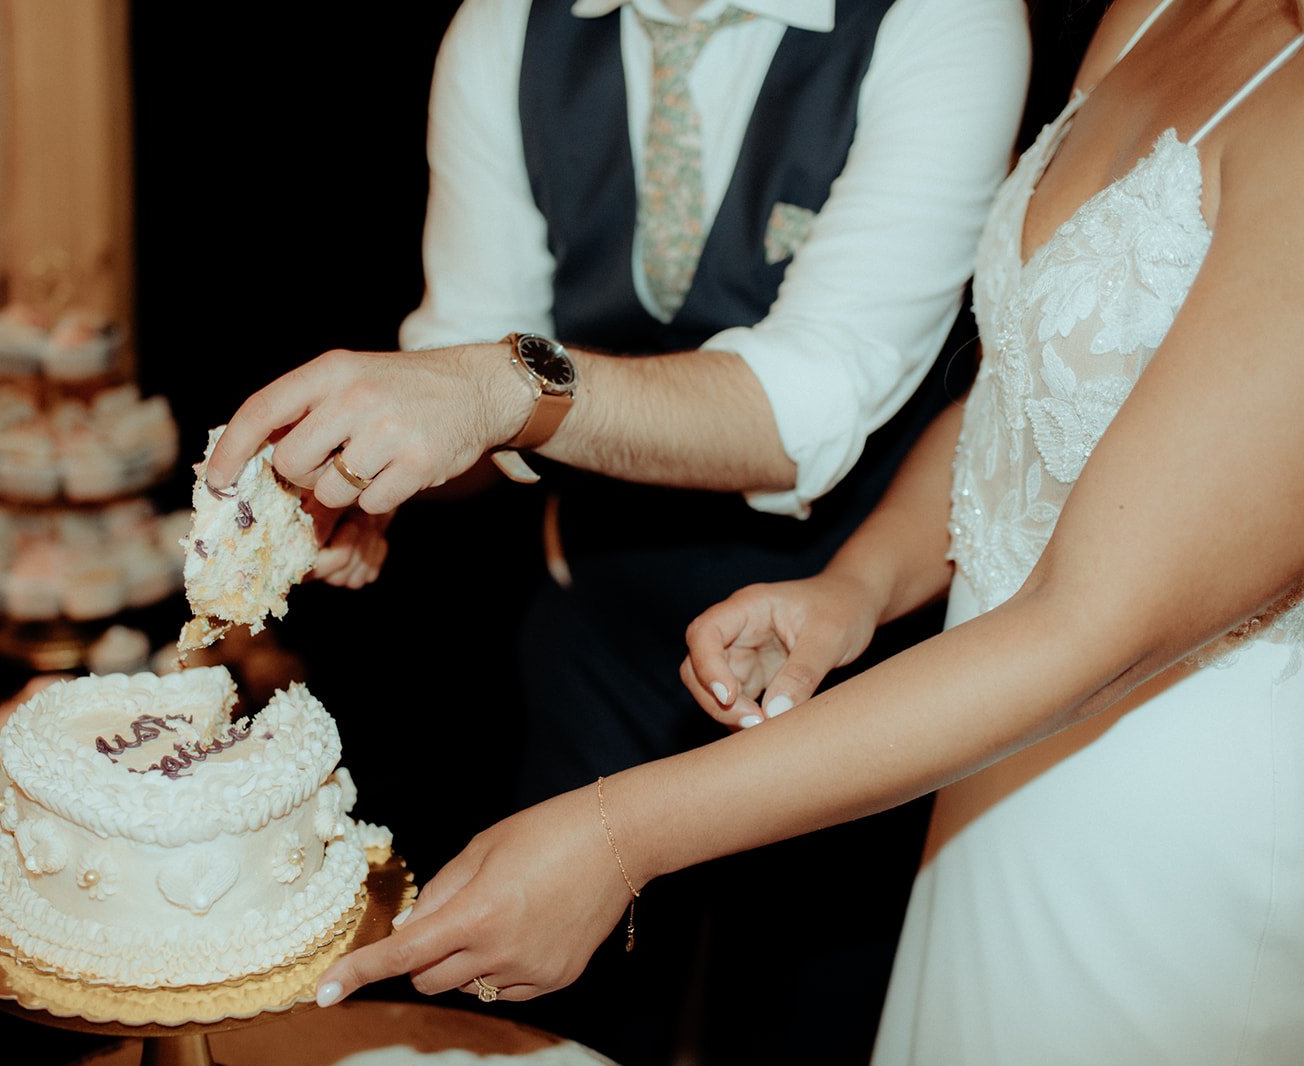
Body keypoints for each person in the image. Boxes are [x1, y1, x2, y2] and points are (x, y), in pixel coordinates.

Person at [305, 0, 1304, 1061]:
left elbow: (1086, 620)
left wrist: (618, 834)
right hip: (981, 761)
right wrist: (862, 585)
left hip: (1165, 808)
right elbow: (1020, 397)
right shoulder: (1148, 13)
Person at [210, 2, 1027, 1058]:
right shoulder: (504, 30)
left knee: (810, 1025)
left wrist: (491, 387)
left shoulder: (941, 22)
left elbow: (804, 412)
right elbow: (465, 365)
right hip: (595, 627)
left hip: (853, 654)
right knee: (558, 1030)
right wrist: (375, 481)